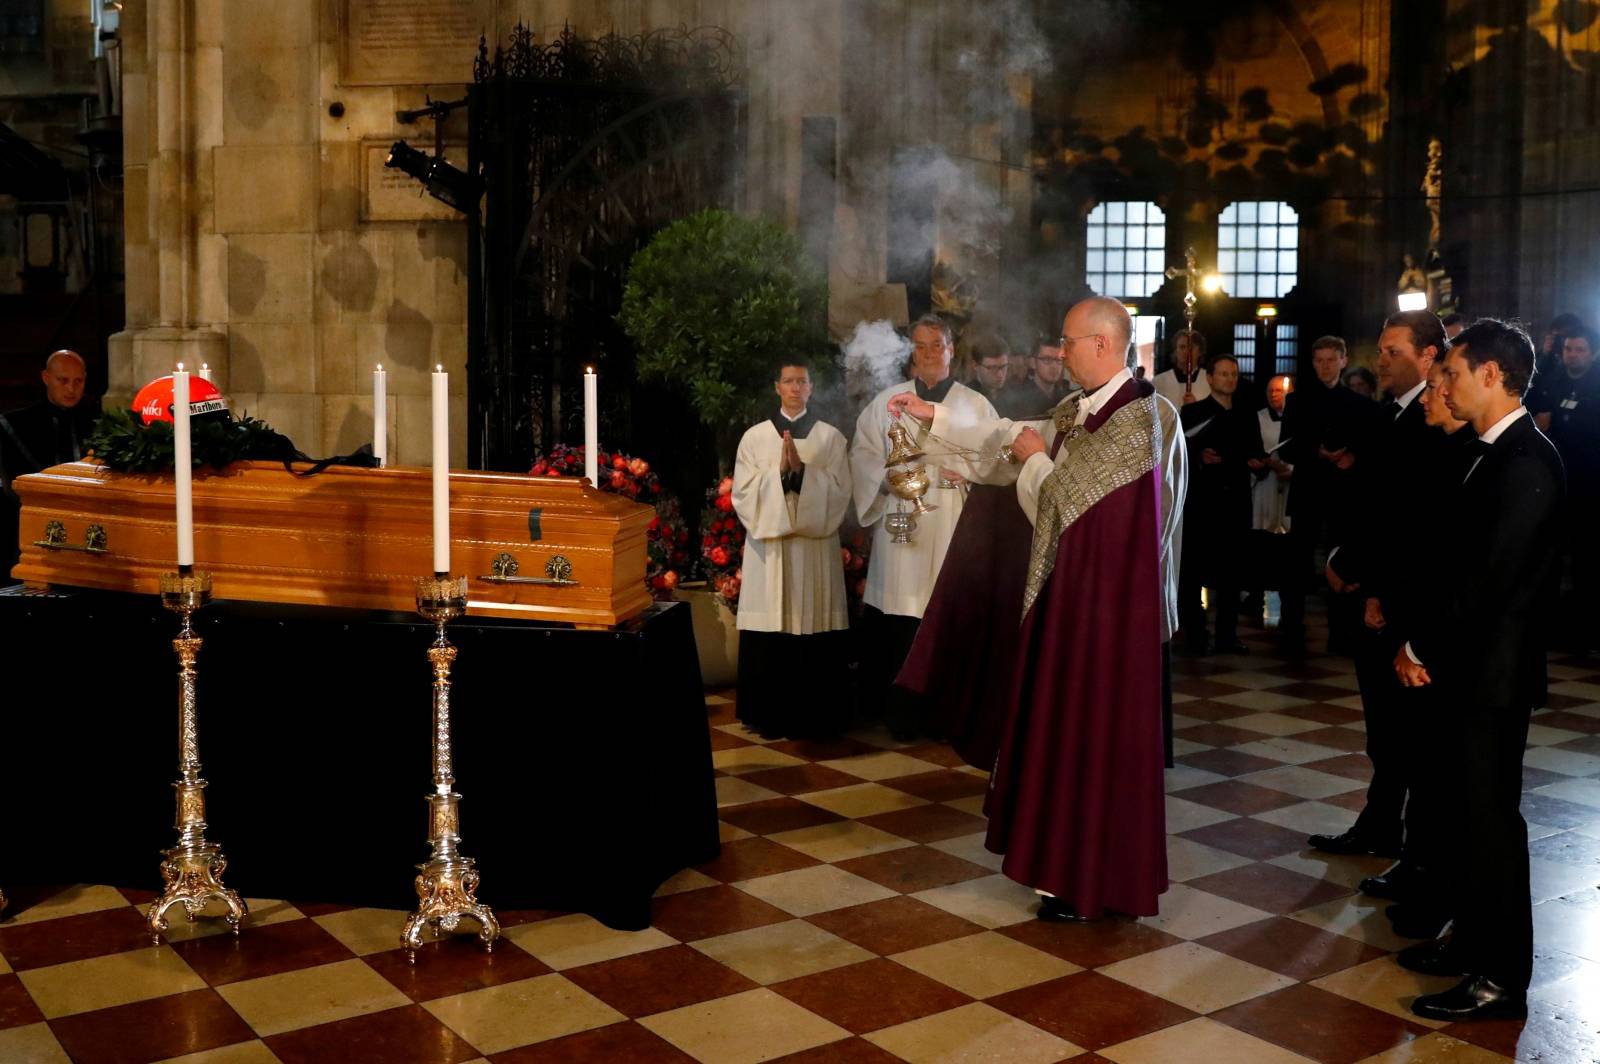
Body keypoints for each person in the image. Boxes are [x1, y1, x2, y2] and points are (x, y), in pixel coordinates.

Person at [888, 296, 1186, 920]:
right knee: (1062, 738)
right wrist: (932, 416)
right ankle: (1060, 868)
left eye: (1070, 340)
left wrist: (1034, 457)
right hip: (1070, 604)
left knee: (1094, 742)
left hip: (1109, 621)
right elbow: (1010, 440)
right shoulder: (1081, 410)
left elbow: (1070, 504)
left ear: (1104, 344)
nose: (1060, 350)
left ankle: (1095, 879)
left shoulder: (1142, 420)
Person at [1393, 319, 1563, 1022]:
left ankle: (1499, 977)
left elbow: (1486, 583)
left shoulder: (1526, 459)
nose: (1447, 384)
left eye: (1456, 372)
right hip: (1469, 671)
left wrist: (1420, 648)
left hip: (1489, 677)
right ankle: (1469, 944)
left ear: (1494, 374)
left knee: (1491, 827)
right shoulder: (1487, 451)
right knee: (1464, 820)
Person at [1311, 312, 1448, 873]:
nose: (1381, 360)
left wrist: (1370, 581)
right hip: (1371, 581)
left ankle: (1410, 849)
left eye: (1393, 351)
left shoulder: (1432, 420)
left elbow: (1411, 518)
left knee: (1404, 731)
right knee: (1383, 728)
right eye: (1381, 350)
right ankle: (1380, 824)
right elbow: (1372, 499)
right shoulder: (1392, 414)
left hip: (1396, 594)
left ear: (1428, 356)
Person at [851, 315, 996, 739]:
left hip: (952, 518)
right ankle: (902, 715)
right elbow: (862, 452)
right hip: (902, 518)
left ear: (953, 350)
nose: (930, 353)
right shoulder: (887, 401)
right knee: (900, 614)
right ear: (910, 352)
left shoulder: (975, 405)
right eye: (921, 346)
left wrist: (968, 474)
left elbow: (995, 458)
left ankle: (947, 714)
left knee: (945, 612)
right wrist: (887, 473)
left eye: (938, 345)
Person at [732, 360, 853, 739]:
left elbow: (841, 495)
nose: (796, 387)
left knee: (811, 622)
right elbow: (743, 494)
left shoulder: (830, 438)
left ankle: (816, 713)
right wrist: (780, 477)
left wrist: (804, 476)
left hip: (813, 552)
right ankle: (768, 714)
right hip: (770, 552)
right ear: (777, 387)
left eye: (802, 381)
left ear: (812, 388)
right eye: (789, 381)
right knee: (772, 623)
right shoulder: (754, 438)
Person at [1276, 335, 1371, 653]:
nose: (1325, 366)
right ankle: (1291, 630)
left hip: (1345, 495)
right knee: (1296, 563)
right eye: (1319, 360)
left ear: (1343, 361)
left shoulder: (1361, 405)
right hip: (1308, 490)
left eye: (1331, 359)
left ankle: (1342, 633)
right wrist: (1316, 451)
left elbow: (1372, 448)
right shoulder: (1298, 401)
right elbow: (1286, 448)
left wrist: (1353, 456)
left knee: (1342, 561)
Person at [1177, 355, 1263, 655]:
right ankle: (1197, 634)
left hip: (1236, 502)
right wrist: (1200, 457)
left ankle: (1227, 635)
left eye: (1234, 374)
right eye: (1223, 374)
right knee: (1193, 571)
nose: (1229, 379)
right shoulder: (1192, 412)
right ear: (1210, 379)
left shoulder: (1246, 414)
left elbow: (1257, 454)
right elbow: (1180, 453)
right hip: (1203, 503)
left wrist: (1257, 463)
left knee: (1232, 573)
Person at [1, 350, 100, 582]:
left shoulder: (97, 421)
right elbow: (13, 484)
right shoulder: (16, 424)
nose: (71, 389)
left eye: (78, 381)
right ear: (46, 377)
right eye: (63, 380)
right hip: (33, 525)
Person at [1534, 328, 1600, 654]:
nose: (1573, 354)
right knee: (1553, 559)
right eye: (1569, 349)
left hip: (1590, 487)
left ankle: (1586, 631)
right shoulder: (1555, 381)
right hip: (1559, 486)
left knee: (1587, 563)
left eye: (1580, 349)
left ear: (1592, 353)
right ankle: (1554, 626)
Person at [1243, 374, 1294, 623]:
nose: (1276, 395)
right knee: (1259, 545)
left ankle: (1288, 601)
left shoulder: (1299, 418)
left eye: (1281, 390)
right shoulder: (1258, 418)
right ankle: (1255, 596)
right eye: (1271, 390)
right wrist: (1264, 464)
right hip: (1263, 488)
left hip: (1289, 487)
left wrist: (1290, 469)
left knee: (1286, 548)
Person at [996, 335, 1073, 418]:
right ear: (1033, 362)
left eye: (1059, 360)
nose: (1054, 366)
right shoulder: (1016, 399)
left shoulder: (1067, 398)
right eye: (1047, 359)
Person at [1153, 329, 1210, 408]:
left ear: (1200, 351)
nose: (1186, 351)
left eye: (1191, 347)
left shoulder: (1209, 380)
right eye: (1182, 347)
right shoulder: (1159, 381)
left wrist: (1196, 407)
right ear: (1175, 351)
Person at [967, 332, 1011, 405]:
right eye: (993, 368)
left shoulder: (1014, 392)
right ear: (975, 365)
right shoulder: (966, 397)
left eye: (1004, 367)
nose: (1000, 375)